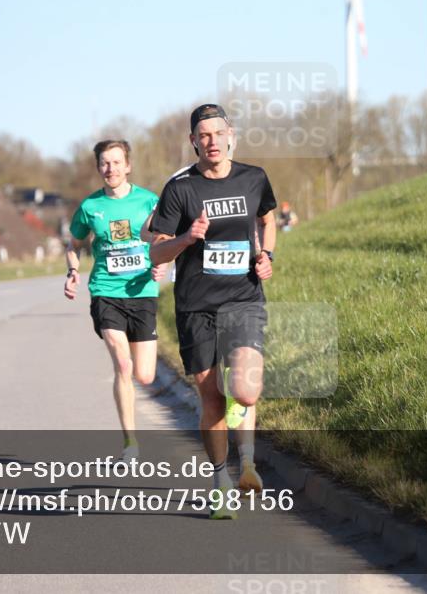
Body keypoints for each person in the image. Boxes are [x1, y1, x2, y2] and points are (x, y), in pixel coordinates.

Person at [149, 104, 276, 519]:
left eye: (218, 133)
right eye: (203, 135)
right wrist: (187, 237)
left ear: (230, 135)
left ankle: (246, 447)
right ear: (193, 141)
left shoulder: (253, 178)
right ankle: (221, 482)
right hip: (196, 306)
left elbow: (267, 219)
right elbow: (157, 251)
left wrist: (267, 255)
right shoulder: (180, 189)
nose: (212, 141)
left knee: (245, 390)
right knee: (211, 399)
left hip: (243, 297)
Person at [64, 139, 167, 462]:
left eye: (116, 162)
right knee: (122, 364)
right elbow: (74, 243)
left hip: (142, 292)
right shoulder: (90, 206)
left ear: (128, 166)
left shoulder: (149, 201)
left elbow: (164, 239)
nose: (111, 169)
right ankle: (130, 443)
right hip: (106, 291)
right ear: (99, 168)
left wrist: (163, 263)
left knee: (145, 375)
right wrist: (72, 270)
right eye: (105, 163)